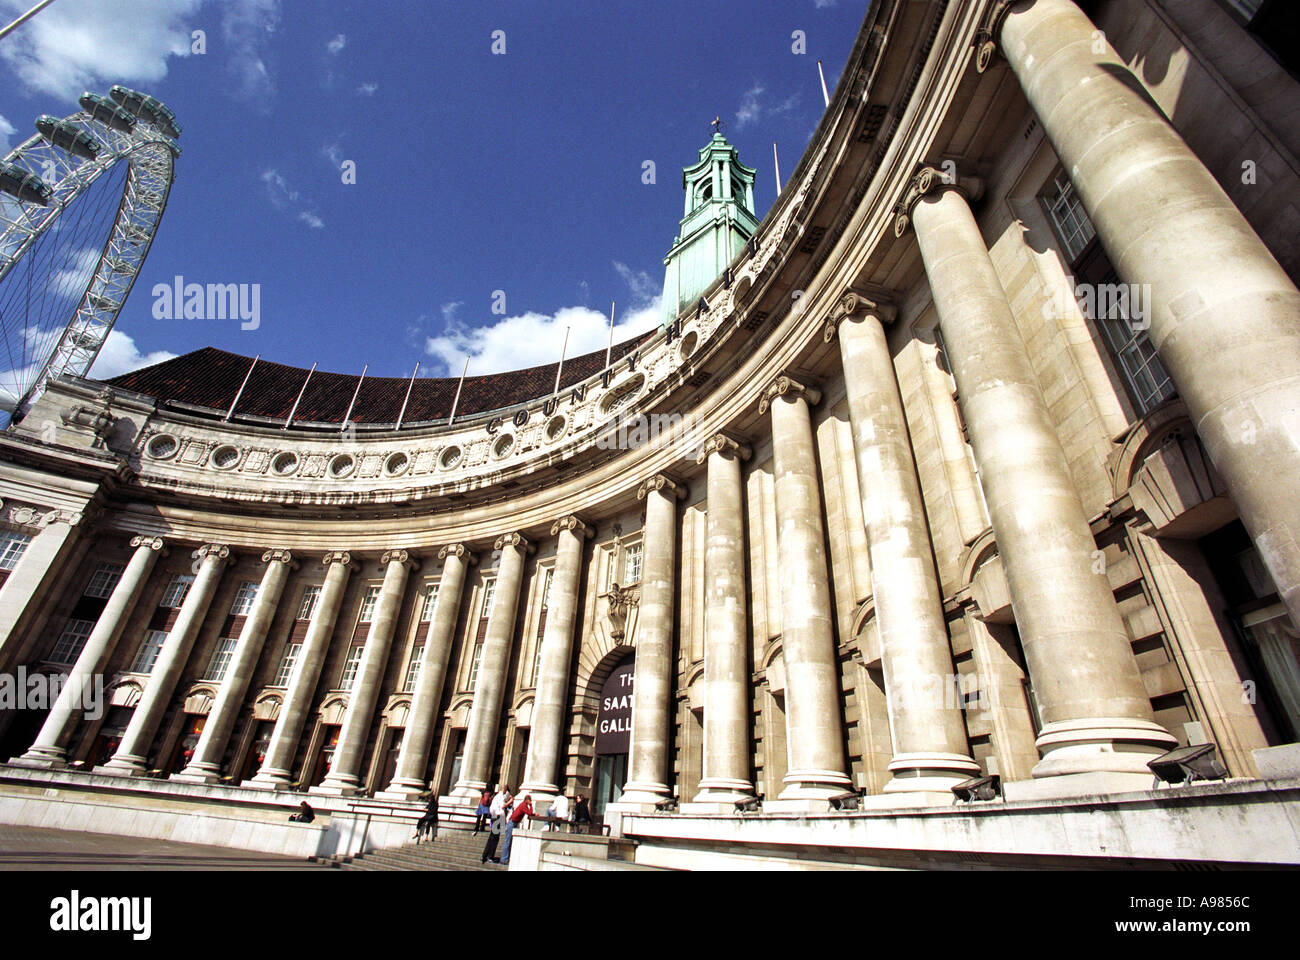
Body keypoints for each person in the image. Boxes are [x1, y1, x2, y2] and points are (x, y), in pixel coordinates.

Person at [500, 793, 533, 865]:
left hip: (513, 823)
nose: (531, 802)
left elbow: (529, 813)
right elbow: (529, 813)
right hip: (512, 823)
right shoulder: (523, 805)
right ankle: (504, 859)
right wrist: (531, 805)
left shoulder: (523, 805)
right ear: (527, 800)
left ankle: (506, 858)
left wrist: (533, 812)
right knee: (508, 841)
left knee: (510, 841)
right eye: (530, 800)